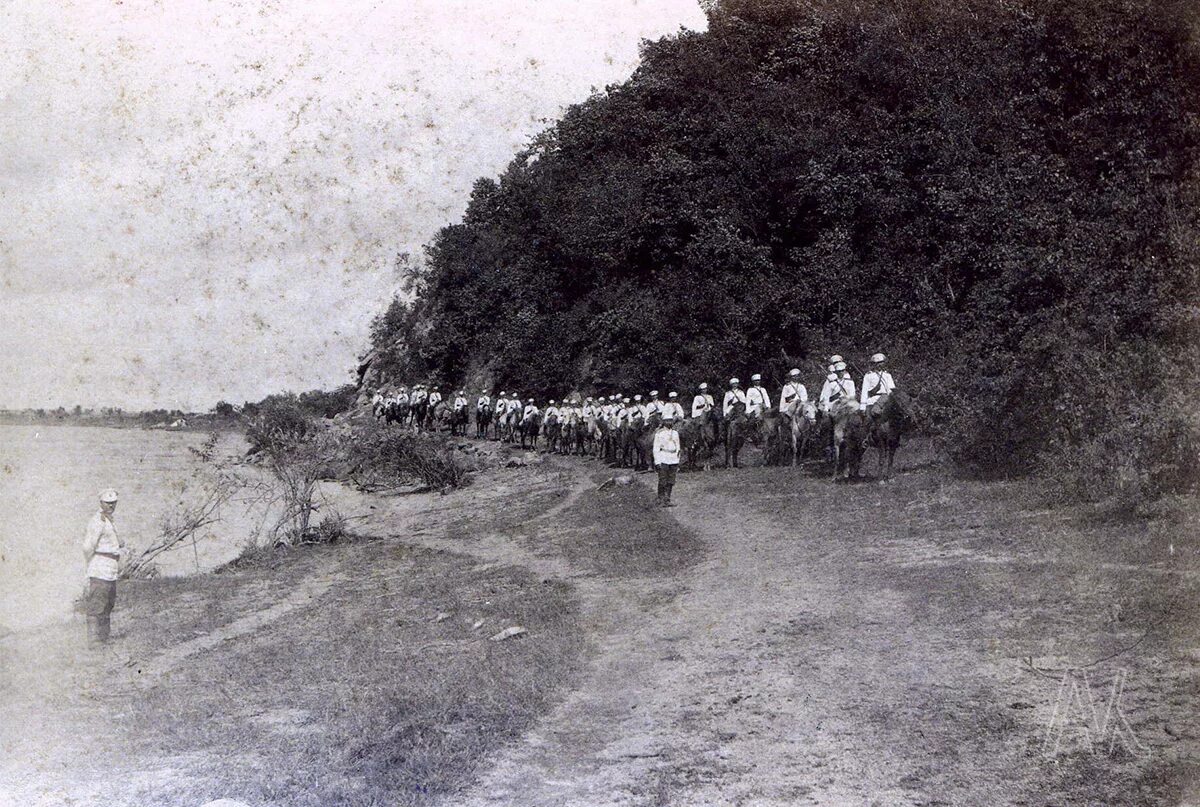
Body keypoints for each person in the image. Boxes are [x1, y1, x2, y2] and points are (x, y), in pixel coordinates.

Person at [82, 489, 125, 646]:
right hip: (100, 566)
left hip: (110, 567)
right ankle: (94, 641)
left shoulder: (109, 520)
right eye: (108, 503)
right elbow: (88, 547)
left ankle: (104, 638)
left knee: (108, 603)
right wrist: (91, 564)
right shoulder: (97, 521)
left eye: (114, 503)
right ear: (101, 503)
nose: (111, 506)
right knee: (97, 603)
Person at [653, 414, 682, 506]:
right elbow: (656, 448)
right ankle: (660, 499)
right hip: (663, 457)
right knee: (663, 480)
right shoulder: (659, 433)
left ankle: (667, 499)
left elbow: (678, 446)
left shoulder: (675, 433)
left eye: (671, 420)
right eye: (667, 421)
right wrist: (657, 461)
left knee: (671, 480)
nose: (670, 423)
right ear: (663, 422)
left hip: (673, 458)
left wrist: (678, 459)